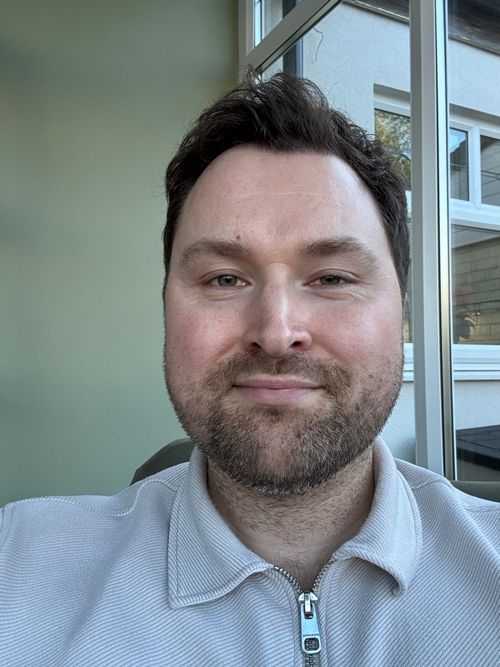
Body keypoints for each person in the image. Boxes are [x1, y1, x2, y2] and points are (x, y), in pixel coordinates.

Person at [1, 73, 498, 667]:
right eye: (224, 279)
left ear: (402, 310)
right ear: (167, 306)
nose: (276, 330)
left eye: (332, 278)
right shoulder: (18, 566)